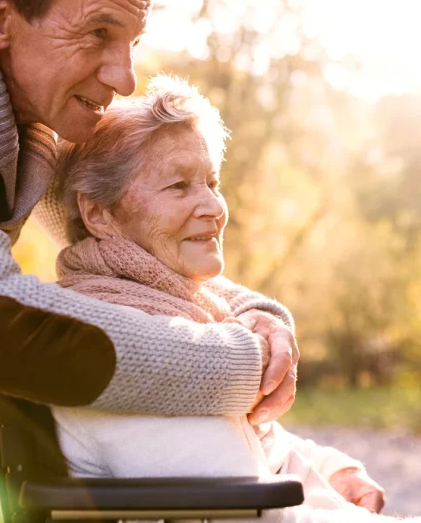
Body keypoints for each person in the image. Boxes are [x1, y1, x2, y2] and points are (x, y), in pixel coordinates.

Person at [52, 76, 392, 522]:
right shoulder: (124, 338)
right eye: (178, 186)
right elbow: (248, 509)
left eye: (211, 182)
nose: (213, 207)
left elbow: (239, 444)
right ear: (98, 213)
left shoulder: (167, 307)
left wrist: (329, 470)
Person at [0, 0, 298, 424]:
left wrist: (251, 312)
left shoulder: (32, 126)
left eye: (133, 43)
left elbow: (121, 239)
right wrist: (245, 361)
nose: (125, 79)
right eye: (98, 33)